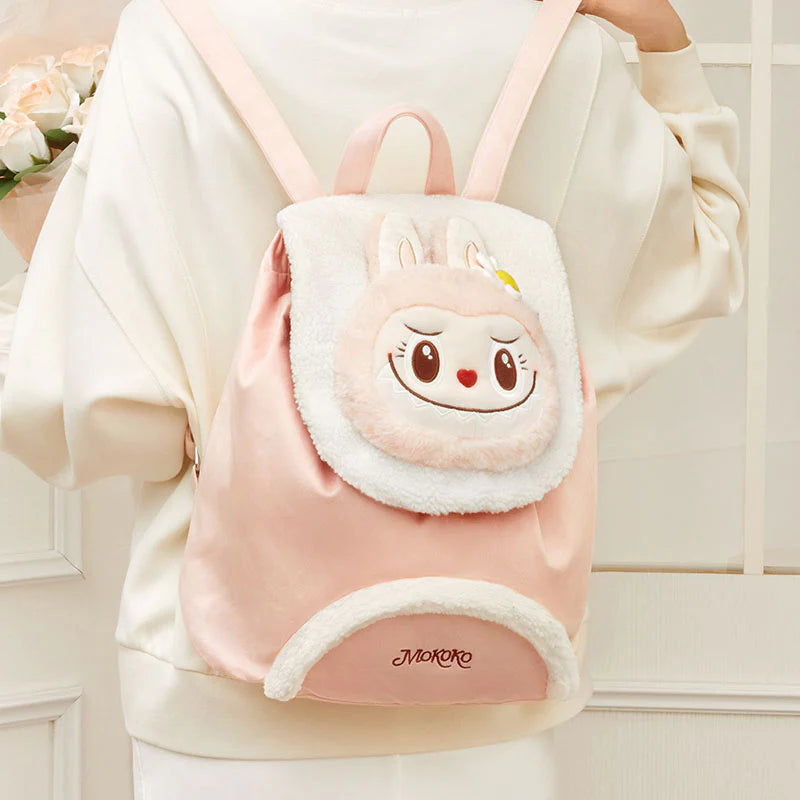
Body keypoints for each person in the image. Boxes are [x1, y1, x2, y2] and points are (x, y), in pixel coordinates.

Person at [0, 0, 747, 797]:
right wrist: (666, 43)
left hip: (229, 694)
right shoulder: (563, 49)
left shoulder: (174, 37)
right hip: (496, 669)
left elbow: (104, 416)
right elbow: (693, 263)